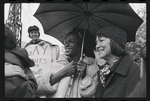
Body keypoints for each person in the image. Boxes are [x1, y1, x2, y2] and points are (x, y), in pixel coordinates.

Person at [45, 28, 101, 98]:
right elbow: (41, 89)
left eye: (71, 41)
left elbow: (93, 94)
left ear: (81, 45)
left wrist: (84, 75)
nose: (66, 45)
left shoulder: (92, 67)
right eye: (65, 42)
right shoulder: (57, 64)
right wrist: (63, 72)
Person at [93, 26, 141, 97]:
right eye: (96, 42)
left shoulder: (135, 71)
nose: (97, 46)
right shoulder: (103, 72)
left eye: (101, 40)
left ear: (114, 42)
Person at [5, 25, 37, 98]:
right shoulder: (26, 47)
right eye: (32, 33)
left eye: (35, 32)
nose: (34, 34)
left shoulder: (45, 44)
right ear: (29, 35)